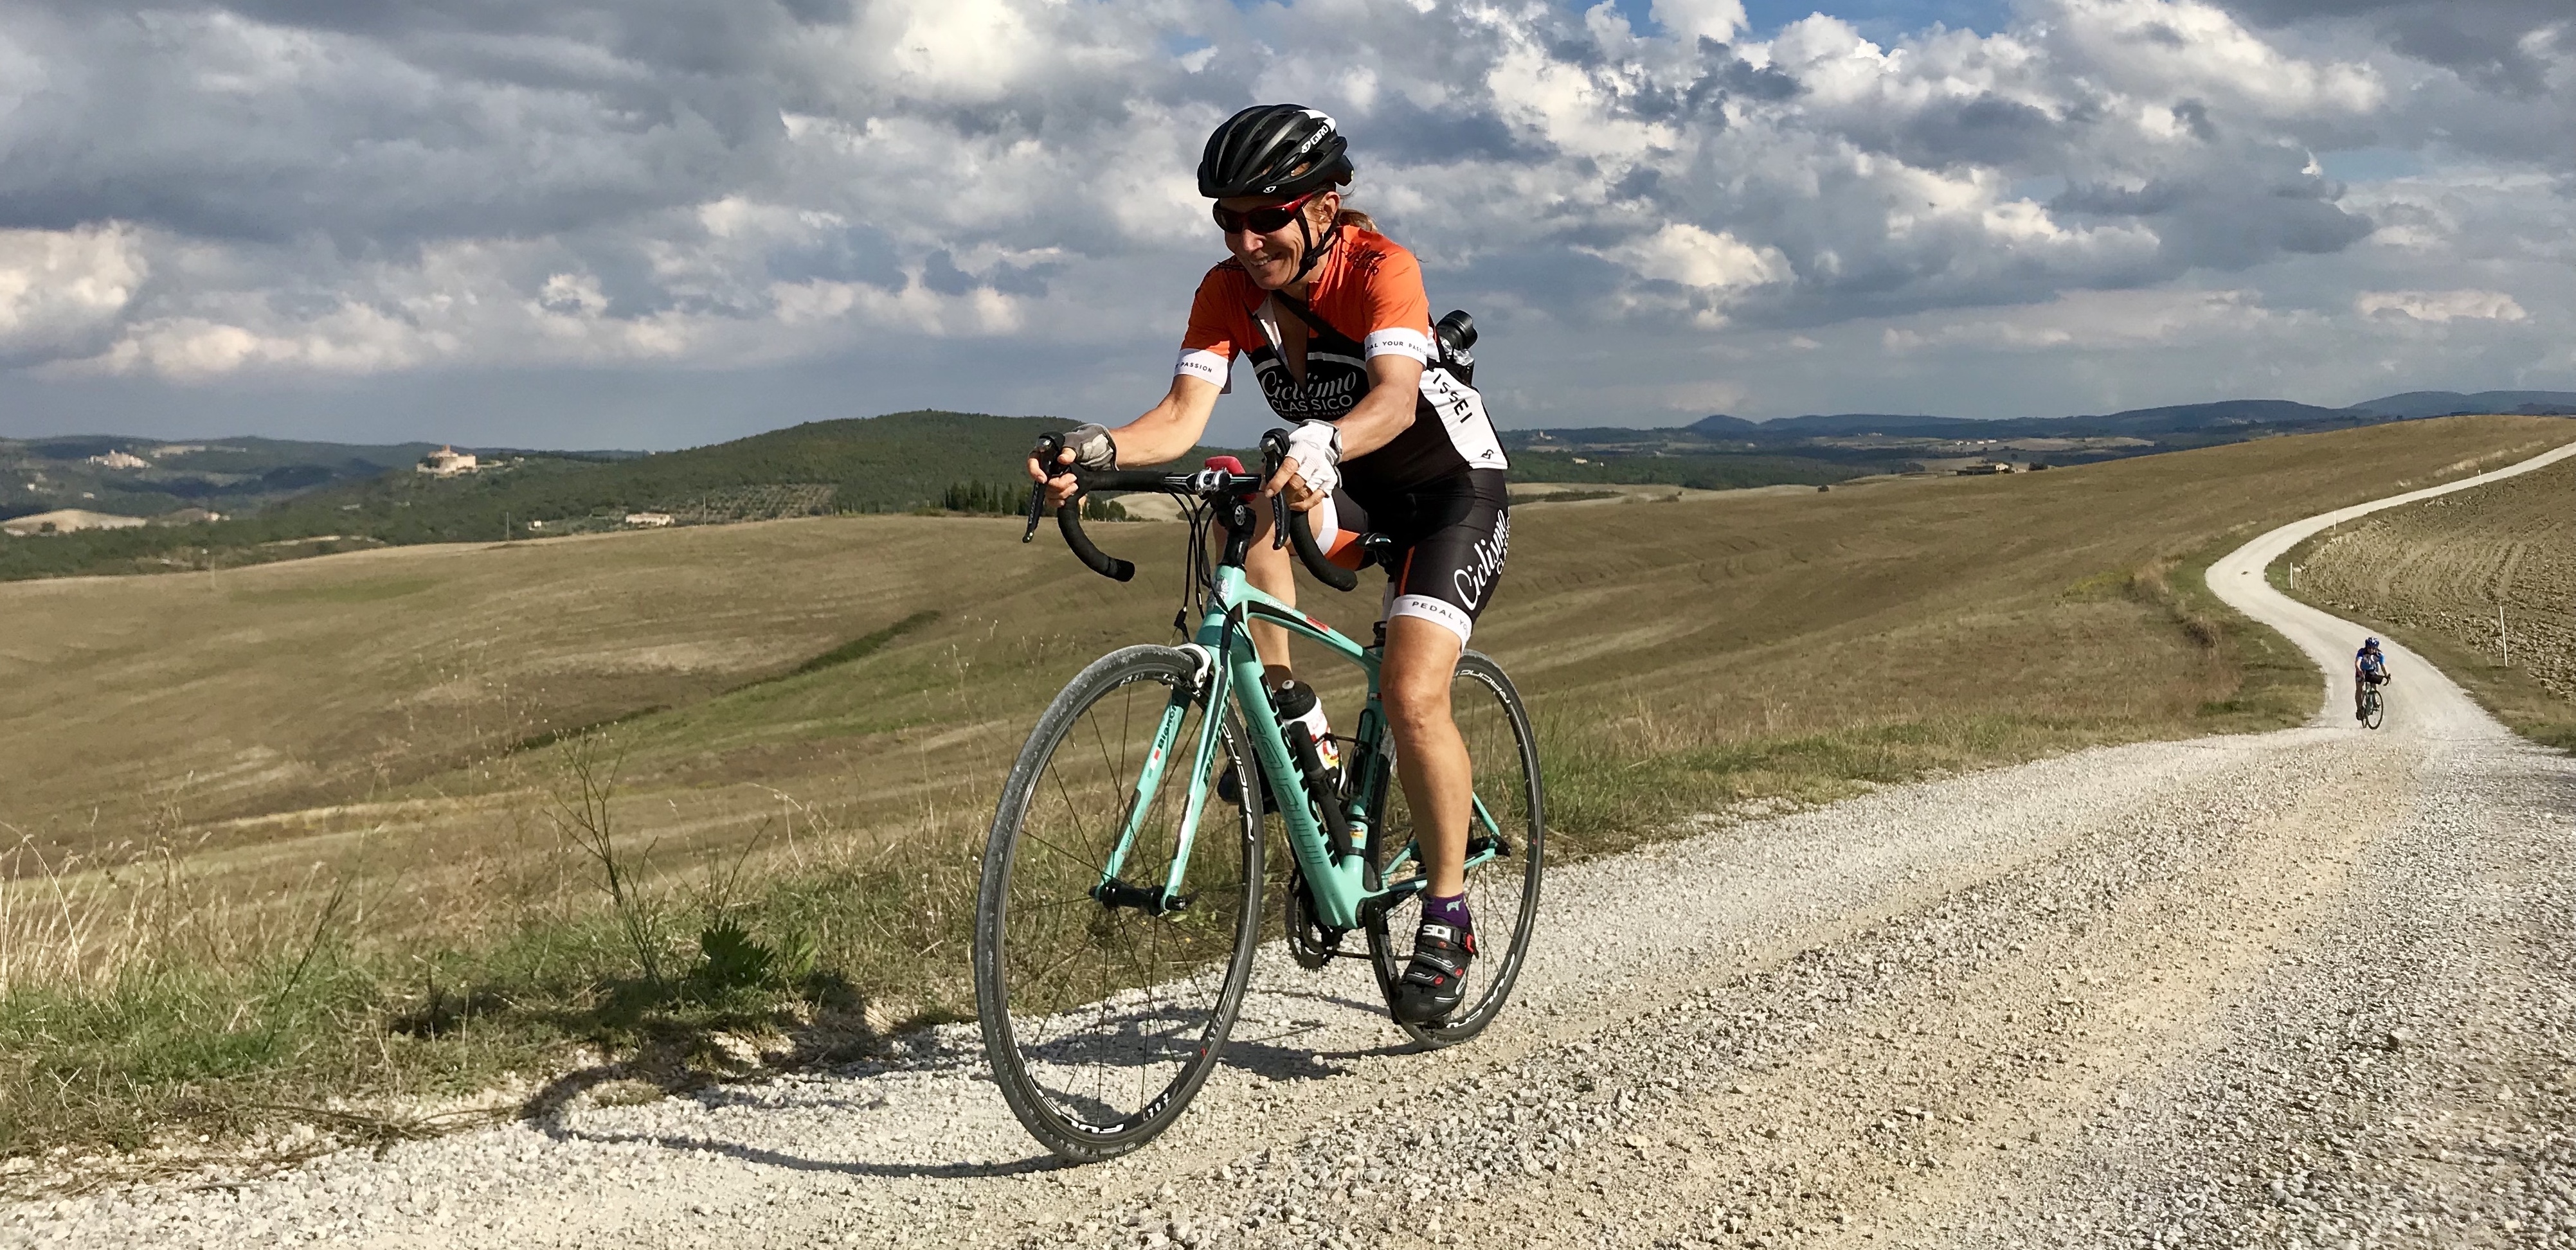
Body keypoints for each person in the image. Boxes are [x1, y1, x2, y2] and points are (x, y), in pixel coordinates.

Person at [1027, 104, 1509, 1025]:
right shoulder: (1224, 293)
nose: (1245, 240)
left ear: (1325, 206)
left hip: (1449, 489)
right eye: (1226, 220)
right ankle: (1294, 717)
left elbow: (1397, 401)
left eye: (1266, 217)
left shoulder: (1380, 270)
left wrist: (1327, 439)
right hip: (1333, 476)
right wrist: (1093, 452)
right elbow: (1177, 418)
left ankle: (1446, 912)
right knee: (1235, 500)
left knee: (1410, 693)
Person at [2355, 637, 2391, 720]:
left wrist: (2387, 675)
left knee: (2374, 682)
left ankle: (2374, 699)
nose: (2371, 650)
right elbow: (2357, 663)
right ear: (2366, 647)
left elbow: (2383, 666)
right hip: (2362, 671)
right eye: (2369, 648)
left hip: (2372, 670)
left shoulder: (2379, 654)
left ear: (2376, 648)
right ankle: (2359, 708)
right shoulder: (2362, 652)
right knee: (2359, 689)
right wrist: (2359, 670)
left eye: (2373, 648)